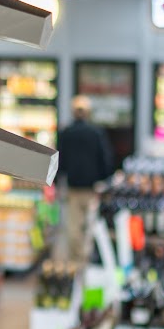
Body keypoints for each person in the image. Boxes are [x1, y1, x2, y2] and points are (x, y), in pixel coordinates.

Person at [55, 96, 117, 260]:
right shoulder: (96, 133)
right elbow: (106, 160)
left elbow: (59, 161)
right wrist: (105, 180)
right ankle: (85, 258)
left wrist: (56, 182)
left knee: (73, 227)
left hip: (73, 188)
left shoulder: (66, 133)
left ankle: (75, 259)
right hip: (91, 189)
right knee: (89, 227)